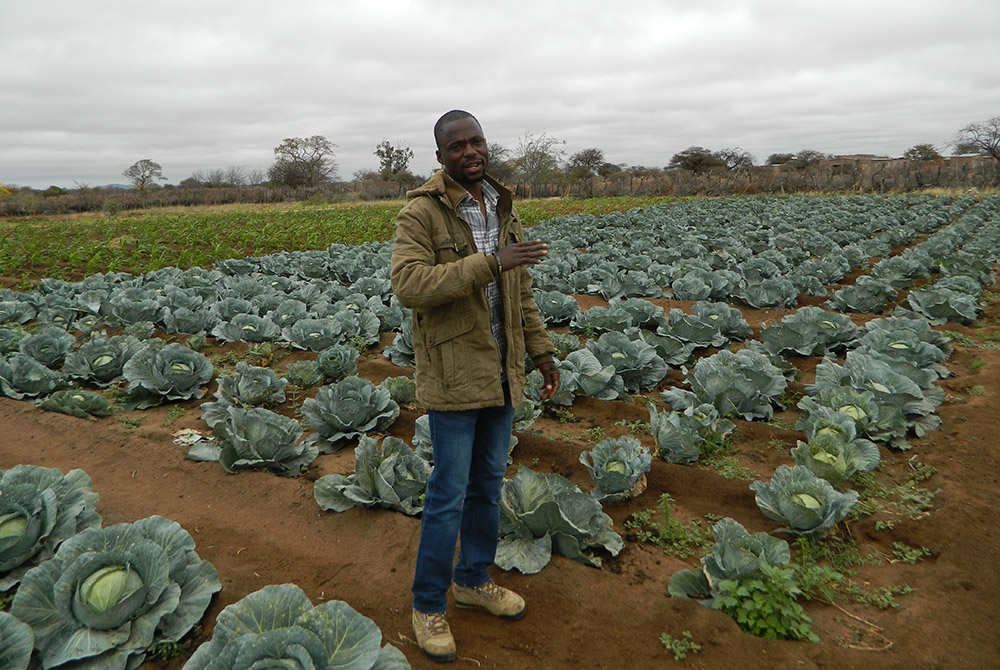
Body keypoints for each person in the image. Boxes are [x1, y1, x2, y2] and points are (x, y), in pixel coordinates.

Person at [390, 109, 560, 663]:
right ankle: (428, 605)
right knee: (446, 496)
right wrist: (489, 263)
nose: (470, 151)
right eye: (457, 145)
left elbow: (522, 291)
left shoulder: (501, 204)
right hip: (454, 373)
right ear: (440, 157)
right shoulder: (421, 214)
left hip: (504, 371)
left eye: (477, 141)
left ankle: (472, 579)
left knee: (488, 485)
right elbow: (409, 285)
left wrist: (542, 351)